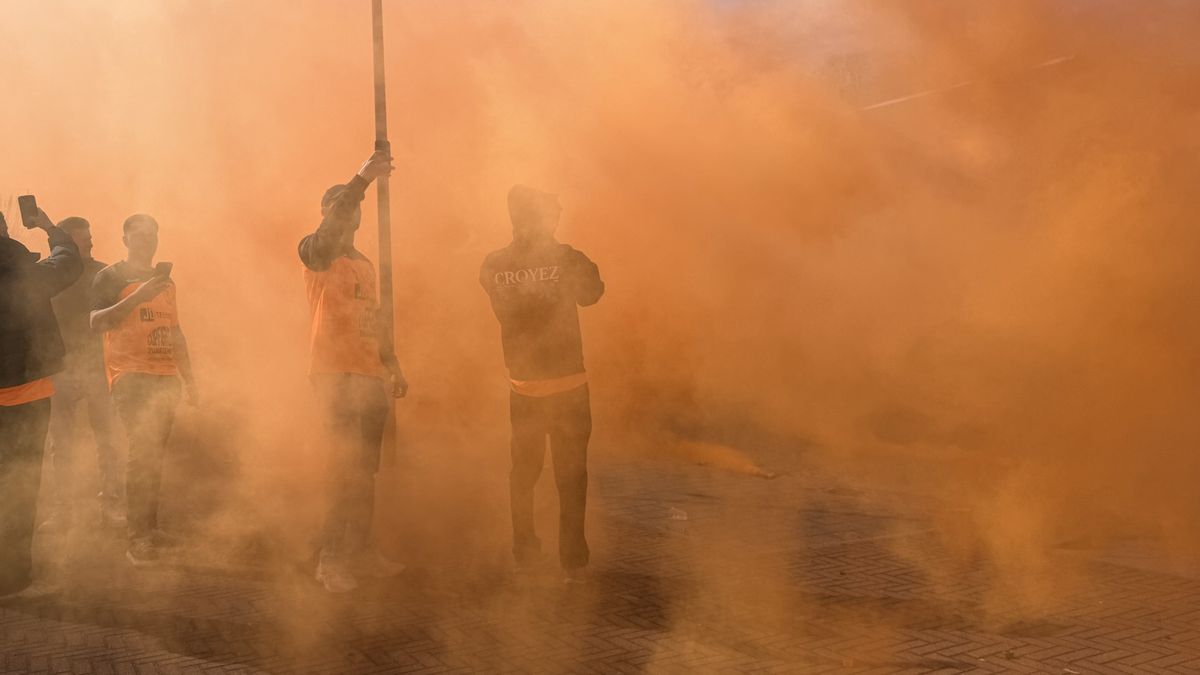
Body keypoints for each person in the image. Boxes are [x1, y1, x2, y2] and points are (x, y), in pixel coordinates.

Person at [479, 185, 604, 584]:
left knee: (523, 473)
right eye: (552, 214)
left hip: (524, 388)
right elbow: (593, 294)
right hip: (568, 386)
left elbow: (506, 306)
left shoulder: (494, 264)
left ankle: (524, 553)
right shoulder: (566, 258)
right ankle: (572, 563)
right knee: (571, 476)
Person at [298, 150, 408, 593]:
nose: (353, 214)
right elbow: (331, 227)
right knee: (342, 469)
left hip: (368, 378)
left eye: (355, 208)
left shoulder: (363, 263)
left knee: (364, 471)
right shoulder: (316, 252)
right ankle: (330, 559)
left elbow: (375, 320)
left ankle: (360, 550)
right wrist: (361, 179)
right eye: (344, 206)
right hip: (335, 377)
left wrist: (392, 364)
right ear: (328, 215)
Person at [90, 214, 197, 566]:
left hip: (165, 375)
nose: (147, 241)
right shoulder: (110, 276)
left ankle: (149, 529)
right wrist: (137, 297)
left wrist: (190, 377)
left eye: (152, 235)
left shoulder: (166, 281)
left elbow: (176, 329)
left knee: (154, 456)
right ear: (124, 239)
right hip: (130, 374)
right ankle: (137, 539)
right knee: (142, 452)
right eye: (139, 235)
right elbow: (96, 322)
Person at [0, 207, 82, 597]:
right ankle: (13, 574)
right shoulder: (29, 276)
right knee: (21, 482)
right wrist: (50, 227)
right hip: (28, 396)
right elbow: (68, 261)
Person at [42, 217, 124, 532]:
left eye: (90, 237)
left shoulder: (105, 274)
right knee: (60, 442)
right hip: (60, 366)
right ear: (67, 242)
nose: (89, 242)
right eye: (82, 239)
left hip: (98, 364)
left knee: (107, 437)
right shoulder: (52, 273)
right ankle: (62, 511)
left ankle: (112, 505)